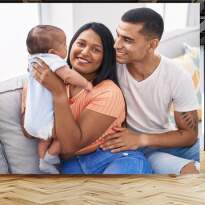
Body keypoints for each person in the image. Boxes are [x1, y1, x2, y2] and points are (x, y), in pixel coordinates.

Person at [31, 22, 152, 174]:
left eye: (96, 49)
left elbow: (70, 146)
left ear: (105, 57)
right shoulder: (48, 81)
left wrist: (59, 94)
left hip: (115, 158)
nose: (85, 52)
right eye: (81, 44)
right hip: (72, 165)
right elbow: (30, 129)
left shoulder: (108, 92)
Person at [101, 8, 200, 175]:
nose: (116, 45)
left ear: (152, 44)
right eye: (117, 35)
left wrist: (141, 139)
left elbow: (189, 135)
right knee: (190, 172)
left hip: (166, 140)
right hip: (142, 151)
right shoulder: (112, 66)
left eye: (127, 40)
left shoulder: (176, 75)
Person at [22, 25, 93, 174]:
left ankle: (43, 162)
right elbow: (68, 75)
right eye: (65, 45)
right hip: (44, 119)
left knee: (43, 139)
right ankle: (49, 157)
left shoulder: (32, 61)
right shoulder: (52, 60)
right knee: (64, 135)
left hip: (30, 121)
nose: (67, 48)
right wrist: (86, 83)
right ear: (53, 52)